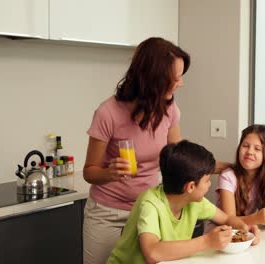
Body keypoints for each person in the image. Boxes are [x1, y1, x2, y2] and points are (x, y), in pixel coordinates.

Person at [83, 37, 228, 264]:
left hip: (153, 209)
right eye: (175, 78)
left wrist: (226, 167)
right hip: (109, 213)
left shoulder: (169, 110)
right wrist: (109, 173)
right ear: (153, 78)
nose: (180, 83)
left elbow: (181, 161)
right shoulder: (108, 113)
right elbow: (89, 171)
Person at [107, 140, 260, 264]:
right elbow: (152, 253)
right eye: (207, 180)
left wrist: (244, 228)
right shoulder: (150, 203)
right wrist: (206, 241)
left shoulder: (195, 200)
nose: (209, 185)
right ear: (191, 187)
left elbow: (226, 218)